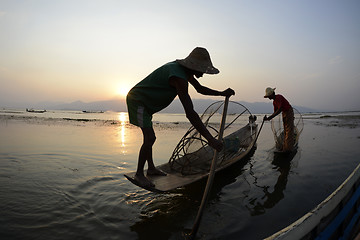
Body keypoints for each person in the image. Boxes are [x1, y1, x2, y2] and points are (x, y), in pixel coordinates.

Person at [126, 47, 235, 187]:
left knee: (149, 137)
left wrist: (221, 93)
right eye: (202, 69)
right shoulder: (178, 76)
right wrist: (210, 139)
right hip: (138, 101)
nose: (202, 73)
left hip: (147, 104)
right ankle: (139, 174)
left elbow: (200, 89)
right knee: (150, 137)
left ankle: (151, 169)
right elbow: (190, 112)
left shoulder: (185, 72)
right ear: (194, 66)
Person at [263, 87, 295, 152]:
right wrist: (267, 118)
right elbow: (275, 112)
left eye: (269, 96)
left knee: (289, 129)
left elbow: (279, 109)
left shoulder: (279, 97)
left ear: (272, 94)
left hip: (288, 111)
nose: (268, 97)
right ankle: (286, 145)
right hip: (284, 113)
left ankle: (287, 148)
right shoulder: (274, 102)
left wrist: (269, 118)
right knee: (286, 129)